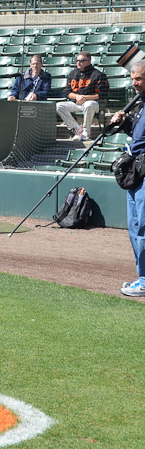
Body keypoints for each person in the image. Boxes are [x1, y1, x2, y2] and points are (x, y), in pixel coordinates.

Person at [111, 61, 145, 297]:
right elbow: (138, 135)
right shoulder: (141, 105)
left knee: (142, 227)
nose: (135, 83)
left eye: (139, 78)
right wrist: (126, 124)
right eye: (133, 78)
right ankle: (142, 277)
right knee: (135, 227)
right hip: (137, 172)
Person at [56, 51, 109, 141]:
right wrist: (77, 97)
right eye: (77, 61)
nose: (78, 63)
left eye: (81, 61)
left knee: (89, 105)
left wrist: (85, 98)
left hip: (94, 104)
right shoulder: (72, 74)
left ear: (89, 61)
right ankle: (77, 129)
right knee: (59, 106)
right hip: (76, 103)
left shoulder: (98, 75)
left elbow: (102, 94)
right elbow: (67, 92)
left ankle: (86, 132)